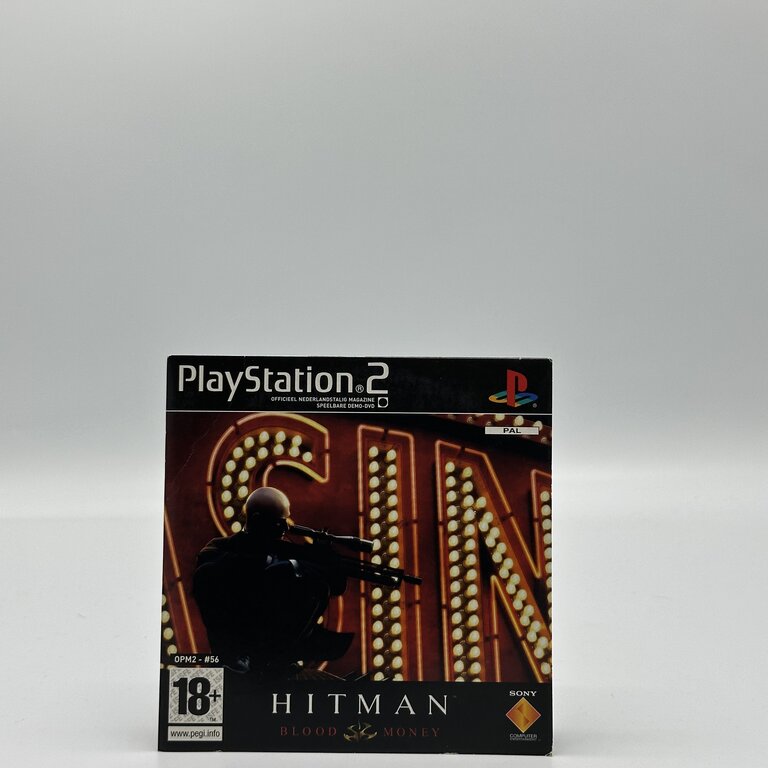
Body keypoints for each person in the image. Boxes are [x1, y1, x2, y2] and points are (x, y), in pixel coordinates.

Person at [192, 486, 353, 678]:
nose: (285, 529)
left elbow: (335, 585)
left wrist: (317, 560)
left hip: (280, 664)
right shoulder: (220, 550)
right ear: (257, 520)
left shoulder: (283, 551)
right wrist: (278, 566)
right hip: (239, 666)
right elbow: (214, 575)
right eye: (279, 523)